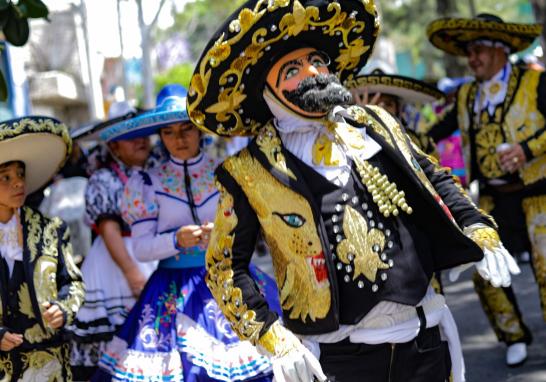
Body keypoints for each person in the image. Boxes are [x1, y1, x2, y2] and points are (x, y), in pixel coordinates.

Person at [186, 1, 520, 381]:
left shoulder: (374, 123)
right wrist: (267, 333)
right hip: (339, 357)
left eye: (318, 60)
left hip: (422, 337)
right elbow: (224, 267)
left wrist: (477, 226)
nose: (313, 72)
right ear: (266, 91)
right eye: (292, 69)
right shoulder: (245, 171)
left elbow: (434, 177)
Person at [95, 85, 280, 381]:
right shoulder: (146, 182)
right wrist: (175, 240)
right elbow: (141, 249)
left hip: (231, 280)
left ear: (200, 129)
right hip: (170, 290)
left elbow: (252, 230)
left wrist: (222, 234)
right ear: (160, 135)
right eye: (168, 132)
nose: (179, 139)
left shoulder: (227, 171)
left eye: (186, 129)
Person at [427, 13, 545, 367]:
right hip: (492, 199)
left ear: (500, 51)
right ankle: (513, 336)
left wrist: (527, 149)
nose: (472, 58)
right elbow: (433, 133)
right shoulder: (465, 94)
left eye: (478, 50)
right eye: (468, 52)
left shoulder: (535, 83)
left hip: (539, 194)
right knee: (486, 268)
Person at [68, 103, 157, 379]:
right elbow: (109, 230)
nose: (140, 140)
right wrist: (132, 272)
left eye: (143, 134)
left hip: (150, 257)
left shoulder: (155, 172)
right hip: (116, 267)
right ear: (114, 147)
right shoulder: (104, 179)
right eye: (131, 136)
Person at [0, 116, 85, 380]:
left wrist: (63, 308)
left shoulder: (51, 229)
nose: (18, 183)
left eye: (21, 175)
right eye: (5, 177)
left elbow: (73, 283)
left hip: (49, 364)